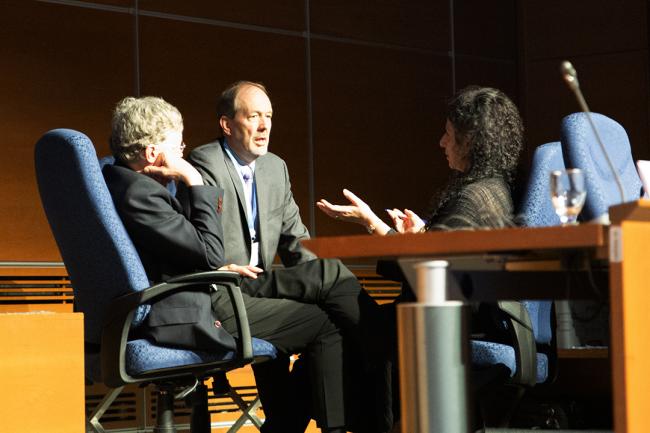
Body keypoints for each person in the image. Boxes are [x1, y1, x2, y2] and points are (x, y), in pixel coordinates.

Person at [102, 96, 378, 433]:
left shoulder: (124, 183)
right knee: (324, 323)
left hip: (200, 286)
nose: (183, 153)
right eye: (178, 146)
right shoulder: (141, 194)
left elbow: (188, 251)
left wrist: (215, 266)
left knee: (325, 284)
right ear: (151, 154)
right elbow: (208, 250)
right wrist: (194, 180)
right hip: (192, 307)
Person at [187, 81, 394, 433]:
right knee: (329, 280)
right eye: (254, 116)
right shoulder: (205, 163)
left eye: (269, 116)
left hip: (260, 285)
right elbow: (200, 245)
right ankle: (388, 346)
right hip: (223, 285)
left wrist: (318, 282)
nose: (265, 126)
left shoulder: (275, 168)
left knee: (327, 306)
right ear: (227, 124)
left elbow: (296, 242)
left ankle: (320, 422)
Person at [317, 85, 522, 245]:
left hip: (429, 298)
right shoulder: (498, 188)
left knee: (332, 278)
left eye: (448, 134)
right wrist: (423, 233)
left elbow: (427, 272)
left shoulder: (469, 201)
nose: (441, 142)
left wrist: (370, 221)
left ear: (468, 142)